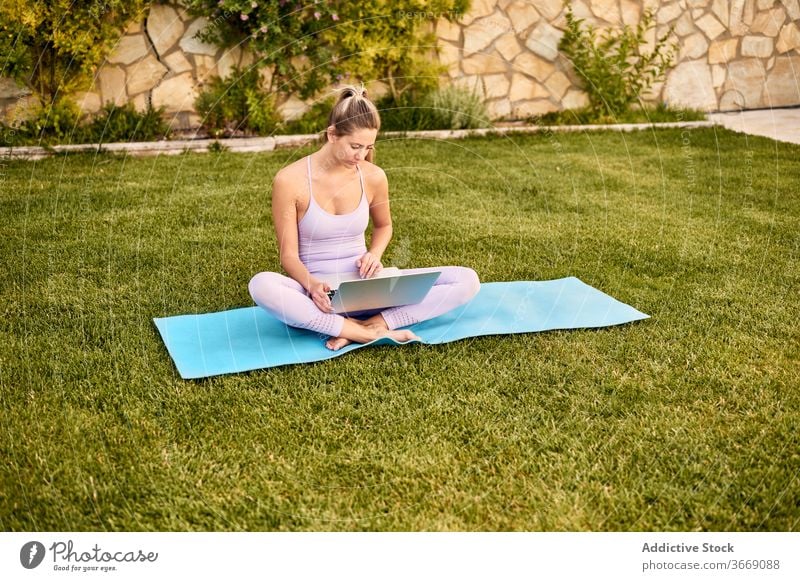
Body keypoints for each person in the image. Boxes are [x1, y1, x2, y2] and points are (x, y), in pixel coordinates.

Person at [248, 84, 481, 351]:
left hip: (370, 290)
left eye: (368, 147)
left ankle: (377, 323)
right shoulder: (290, 180)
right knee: (261, 285)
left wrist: (375, 254)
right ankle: (358, 331)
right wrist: (312, 286)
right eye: (355, 146)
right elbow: (288, 256)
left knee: (467, 280)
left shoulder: (373, 176)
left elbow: (384, 226)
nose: (361, 156)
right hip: (320, 297)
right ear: (332, 134)